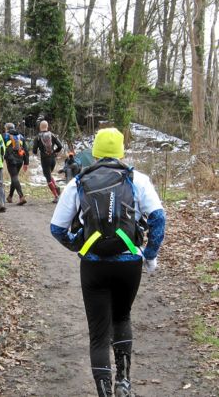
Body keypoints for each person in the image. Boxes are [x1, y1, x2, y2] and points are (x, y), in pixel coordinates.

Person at [49, 127, 166, 397]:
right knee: (122, 317)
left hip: (94, 265)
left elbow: (57, 229)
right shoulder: (137, 179)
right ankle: (123, 381)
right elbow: (158, 219)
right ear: (121, 152)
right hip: (129, 262)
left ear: (95, 152)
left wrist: (80, 244)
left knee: (99, 333)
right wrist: (149, 255)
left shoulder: (78, 183)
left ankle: (104, 393)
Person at [32, 120, 63, 202]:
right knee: (48, 174)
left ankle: (56, 196)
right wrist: (54, 152)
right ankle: (56, 186)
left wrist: (37, 153)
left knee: (48, 178)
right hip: (53, 159)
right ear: (47, 126)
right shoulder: (52, 135)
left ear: (40, 127)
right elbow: (60, 146)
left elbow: (34, 150)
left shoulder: (38, 137)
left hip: (45, 159)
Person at [3, 122, 29, 205]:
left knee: (14, 177)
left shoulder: (5, 136)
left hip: (11, 159)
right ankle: (10, 196)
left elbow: (1, 147)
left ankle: (21, 197)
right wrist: (26, 162)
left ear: (6, 129)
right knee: (14, 177)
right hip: (20, 159)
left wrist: (1, 158)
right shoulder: (20, 136)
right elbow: (26, 150)